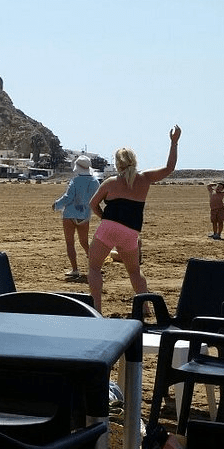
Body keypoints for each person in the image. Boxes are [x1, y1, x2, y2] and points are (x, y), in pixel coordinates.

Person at [86, 126, 180, 315]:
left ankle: (96, 310)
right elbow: (170, 168)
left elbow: (93, 204)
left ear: (117, 163)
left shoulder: (110, 182)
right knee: (135, 272)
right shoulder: (144, 178)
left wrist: (105, 218)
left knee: (94, 267)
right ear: (134, 161)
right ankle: (144, 308)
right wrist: (174, 142)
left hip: (108, 228)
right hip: (130, 232)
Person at [52, 155, 100, 278]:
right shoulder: (95, 182)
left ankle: (75, 270)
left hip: (69, 215)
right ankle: (95, 267)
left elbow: (68, 197)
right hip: (84, 215)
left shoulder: (75, 180)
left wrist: (57, 204)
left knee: (70, 243)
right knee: (84, 243)